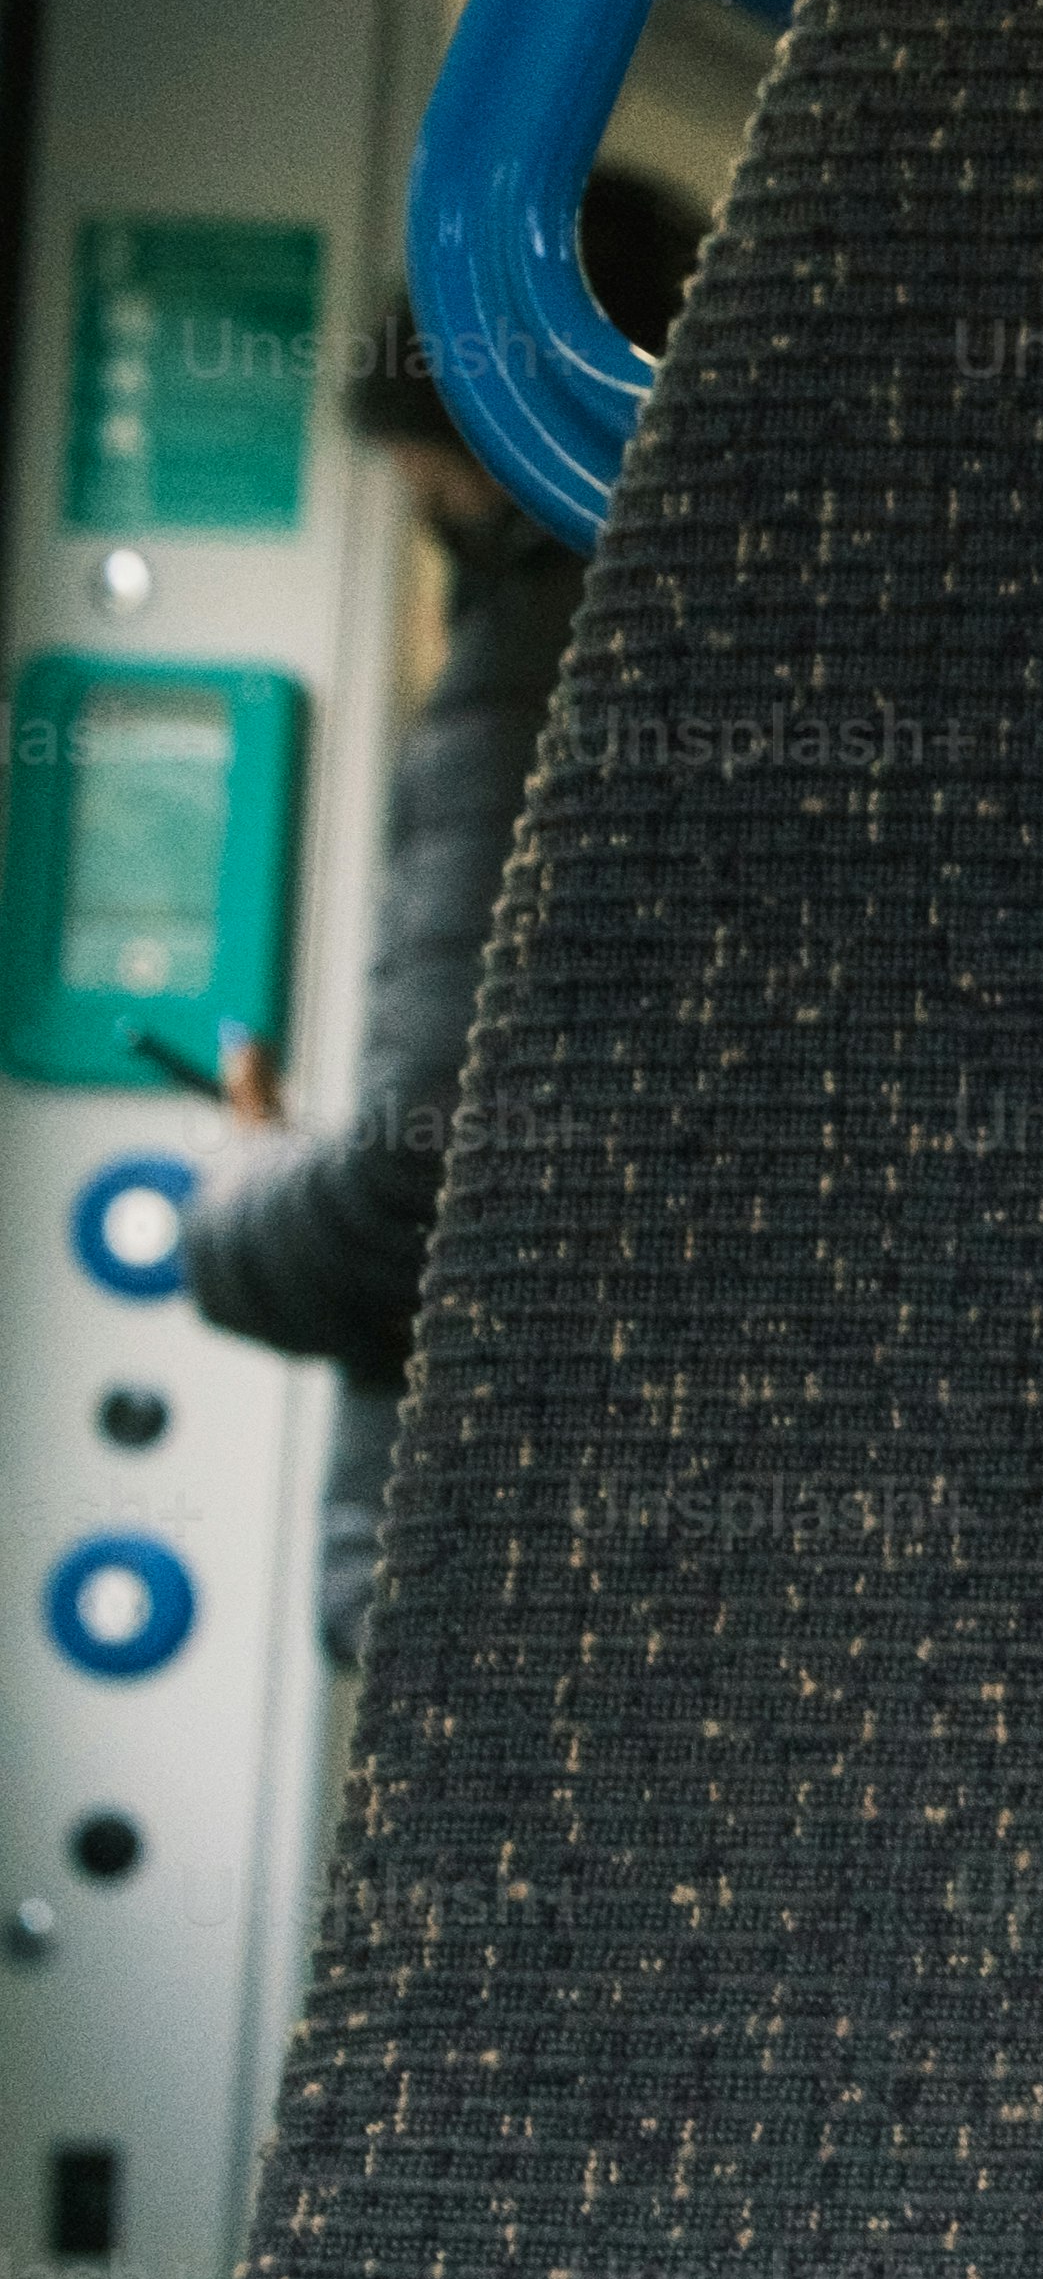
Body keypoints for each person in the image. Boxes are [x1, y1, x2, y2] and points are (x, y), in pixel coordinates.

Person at [186, 178, 654, 1677]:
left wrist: (240, 1196)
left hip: (489, 1572)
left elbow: (428, 1196)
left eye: (449, 521)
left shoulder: (540, 662)